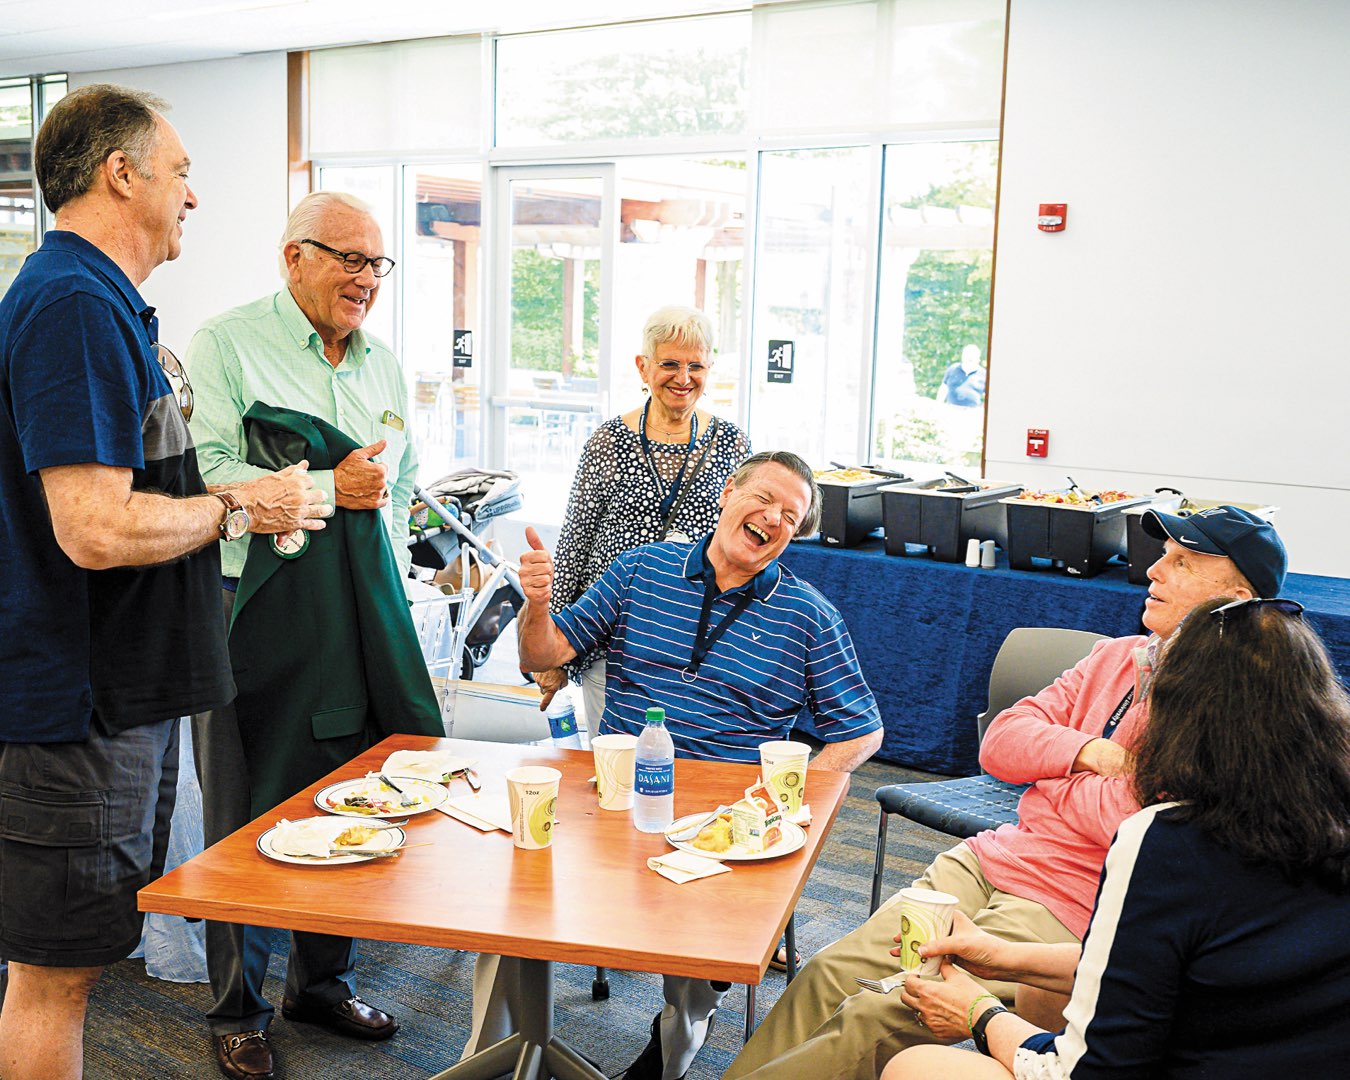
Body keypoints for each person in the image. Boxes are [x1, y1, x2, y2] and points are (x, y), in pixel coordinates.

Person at [0, 84, 329, 1080]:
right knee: (55, 977)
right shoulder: (71, 305)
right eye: (181, 171)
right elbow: (93, 529)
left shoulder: (100, 306)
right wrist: (241, 510)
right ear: (122, 173)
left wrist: (232, 493)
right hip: (76, 710)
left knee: (77, 969)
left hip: (112, 700)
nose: (194, 196)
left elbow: (122, 491)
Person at [724, 505, 1288, 1080]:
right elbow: (1001, 741)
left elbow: (1137, 822)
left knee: (884, 1010)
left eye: (1183, 563)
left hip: (1070, 901)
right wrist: (1091, 755)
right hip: (991, 859)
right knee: (826, 973)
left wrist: (1048, 781)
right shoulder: (1115, 656)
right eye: (1163, 556)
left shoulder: (1239, 706)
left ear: (1238, 597)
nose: (1154, 573)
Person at [468, 450, 884, 1080]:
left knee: (706, 946)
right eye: (763, 498)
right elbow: (546, 653)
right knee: (512, 894)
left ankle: (672, 1047)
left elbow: (861, 733)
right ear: (726, 494)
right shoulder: (640, 570)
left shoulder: (809, 617)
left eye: (790, 516)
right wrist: (537, 604)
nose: (772, 519)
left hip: (719, 818)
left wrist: (786, 805)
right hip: (609, 797)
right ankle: (489, 1056)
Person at [186, 190, 440, 1080]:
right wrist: (334, 490)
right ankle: (237, 1008)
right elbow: (210, 486)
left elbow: (401, 491)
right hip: (246, 614)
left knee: (352, 790)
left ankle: (322, 983)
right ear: (293, 255)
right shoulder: (225, 345)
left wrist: (392, 591)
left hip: (349, 617)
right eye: (347, 258)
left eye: (377, 264)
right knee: (245, 808)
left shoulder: (384, 366)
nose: (366, 279)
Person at [886, 594, 1350, 1078]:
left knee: (915, 1066)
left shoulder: (1165, 840)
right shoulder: (1319, 817)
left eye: (1186, 561)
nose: (1156, 571)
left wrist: (979, 1015)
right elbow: (1163, 969)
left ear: (1178, 711)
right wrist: (1002, 957)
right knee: (1040, 988)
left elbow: (1090, 1071)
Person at [534, 304, 750, 728]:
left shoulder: (732, 444)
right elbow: (575, 545)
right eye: (669, 364)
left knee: (687, 764)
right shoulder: (609, 441)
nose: (683, 378)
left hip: (696, 638)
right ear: (643, 366)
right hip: (613, 631)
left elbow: (743, 547)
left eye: (696, 366)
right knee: (613, 767)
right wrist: (554, 650)